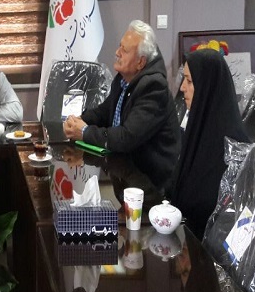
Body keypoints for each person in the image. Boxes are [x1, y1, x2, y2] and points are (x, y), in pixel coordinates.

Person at [63, 20, 180, 191]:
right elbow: (104, 112)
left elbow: (127, 137)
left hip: (151, 184)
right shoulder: (124, 78)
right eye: (120, 46)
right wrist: (78, 121)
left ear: (140, 62)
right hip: (124, 173)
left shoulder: (153, 87)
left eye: (124, 50)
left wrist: (84, 132)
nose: (117, 52)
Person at [170, 48, 249, 239]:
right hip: (186, 233)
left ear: (207, 87)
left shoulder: (230, 145)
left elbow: (204, 206)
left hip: (204, 245)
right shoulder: (201, 124)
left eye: (189, 81)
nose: (182, 88)